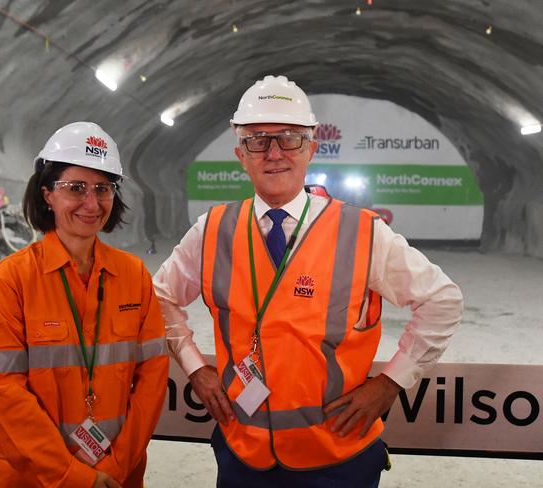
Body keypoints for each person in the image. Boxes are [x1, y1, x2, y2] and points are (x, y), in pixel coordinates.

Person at [153, 75, 463, 487]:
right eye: (257, 140)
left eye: (290, 138)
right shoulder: (211, 231)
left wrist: (390, 384)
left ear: (311, 148)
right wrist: (195, 368)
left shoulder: (362, 232)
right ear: (240, 154)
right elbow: (158, 298)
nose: (274, 152)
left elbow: (442, 301)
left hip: (336, 456)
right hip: (243, 455)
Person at [0, 121, 169, 488]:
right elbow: (3, 392)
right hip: (31, 478)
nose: (92, 203)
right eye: (75, 188)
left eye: (103, 189)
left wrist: (115, 467)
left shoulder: (133, 275)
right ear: (47, 194)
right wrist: (75, 478)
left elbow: (152, 380)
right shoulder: (11, 280)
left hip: (117, 475)